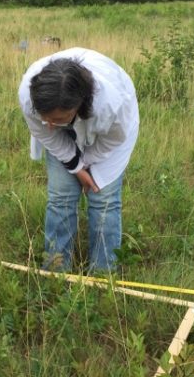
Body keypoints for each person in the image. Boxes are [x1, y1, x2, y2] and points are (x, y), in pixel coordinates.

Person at [18, 48, 139, 272]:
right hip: (64, 135)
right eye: (45, 117)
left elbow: (113, 140)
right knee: (61, 196)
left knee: (103, 199)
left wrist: (89, 166)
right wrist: (75, 165)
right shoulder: (29, 95)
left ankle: (103, 274)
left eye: (58, 118)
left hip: (108, 138)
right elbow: (45, 132)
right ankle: (55, 270)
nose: (50, 124)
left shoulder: (112, 105)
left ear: (78, 105)